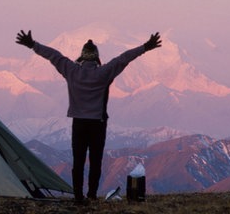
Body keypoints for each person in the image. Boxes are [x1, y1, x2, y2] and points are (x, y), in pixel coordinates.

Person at [15, 30, 161, 204]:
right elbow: (124, 58)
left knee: (78, 161)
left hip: (79, 123)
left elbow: (53, 55)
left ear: (82, 57)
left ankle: (78, 196)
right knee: (95, 161)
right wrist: (146, 47)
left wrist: (32, 44)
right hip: (98, 124)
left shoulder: (71, 70)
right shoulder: (104, 72)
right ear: (97, 58)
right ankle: (91, 194)